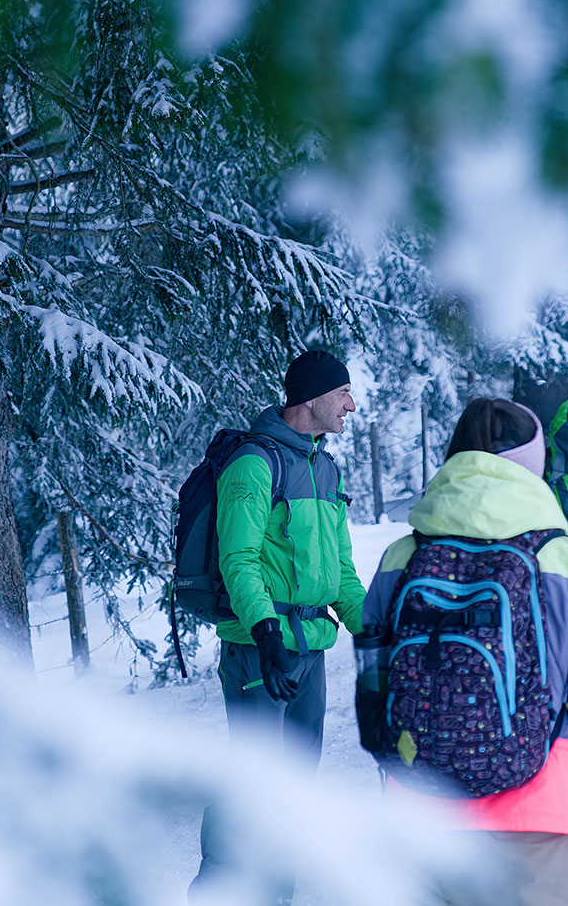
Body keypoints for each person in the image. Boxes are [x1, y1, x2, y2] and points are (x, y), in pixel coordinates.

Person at [362, 398, 568, 906]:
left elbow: (375, 682)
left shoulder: (401, 557)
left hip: (421, 815)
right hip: (546, 816)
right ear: (532, 467)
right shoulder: (567, 559)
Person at [190, 348, 367, 903]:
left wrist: (380, 631)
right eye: (342, 394)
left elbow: (340, 573)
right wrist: (266, 633)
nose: (351, 405)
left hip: (309, 652)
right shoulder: (253, 465)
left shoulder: (324, 466)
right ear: (311, 397)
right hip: (257, 652)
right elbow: (237, 561)